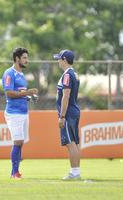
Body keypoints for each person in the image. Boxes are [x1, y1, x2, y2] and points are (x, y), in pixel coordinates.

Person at [2, 47, 38, 179]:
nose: (27, 60)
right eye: (24, 58)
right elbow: (9, 93)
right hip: (14, 113)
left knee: (21, 142)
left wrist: (30, 97)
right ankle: (15, 173)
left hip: (23, 112)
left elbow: (21, 93)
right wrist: (28, 92)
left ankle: (14, 172)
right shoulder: (9, 73)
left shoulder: (21, 75)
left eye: (27, 58)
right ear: (17, 59)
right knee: (17, 142)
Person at [53, 49, 81, 180]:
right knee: (74, 143)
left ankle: (74, 172)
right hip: (73, 111)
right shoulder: (73, 73)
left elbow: (66, 96)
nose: (58, 61)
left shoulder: (67, 75)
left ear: (64, 60)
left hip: (68, 113)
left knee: (70, 143)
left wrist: (62, 116)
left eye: (59, 58)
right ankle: (75, 171)